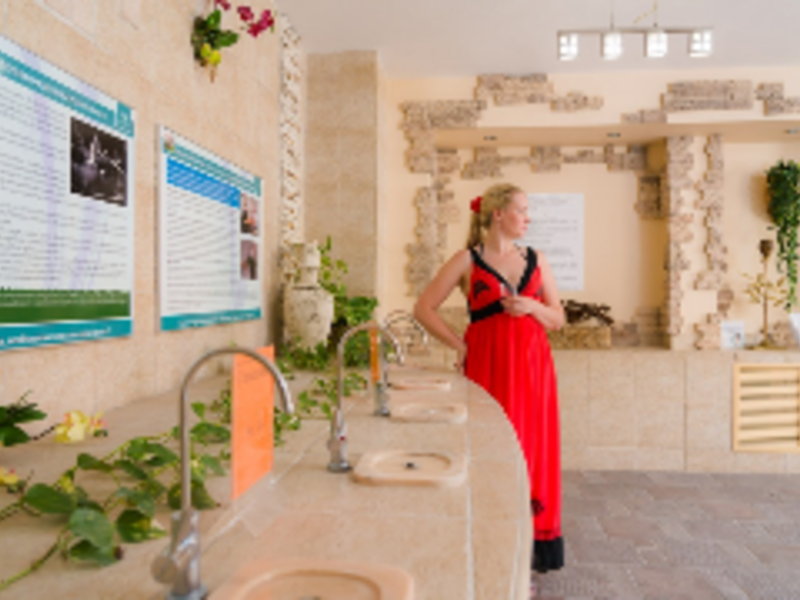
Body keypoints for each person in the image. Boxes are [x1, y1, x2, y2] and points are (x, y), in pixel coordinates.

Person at [413, 183, 565, 573]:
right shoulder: (467, 259)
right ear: (498, 213)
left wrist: (531, 306)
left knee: (530, 450)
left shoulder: (537, 259)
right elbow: (423, 308)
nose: (528, 218)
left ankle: (526, 551)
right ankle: (488, 543)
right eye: (522, 210)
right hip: (487, 368)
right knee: (489, 450)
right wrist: (459, 345)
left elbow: (558, 319)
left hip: (533, 371)